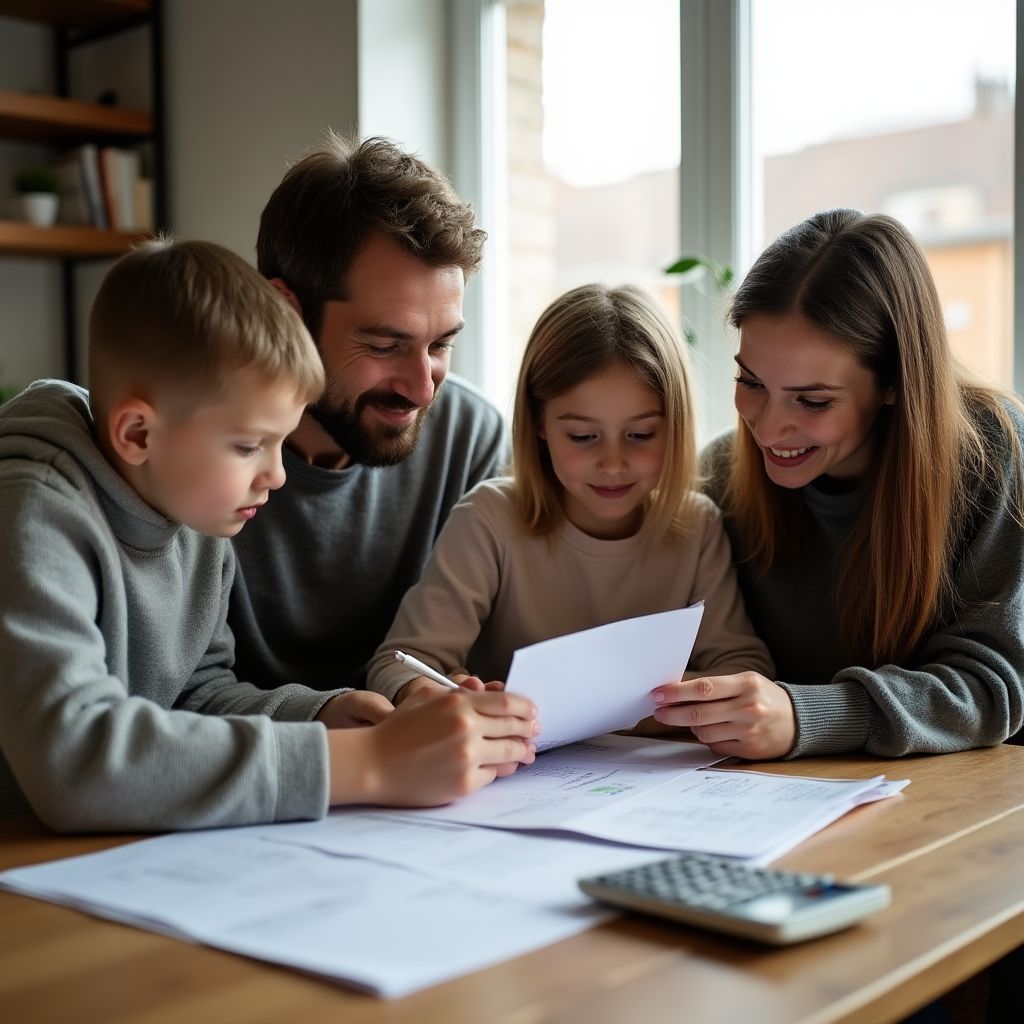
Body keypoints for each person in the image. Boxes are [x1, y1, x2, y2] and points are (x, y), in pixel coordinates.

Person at [0, 239, 537, 832]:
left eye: (280, 442)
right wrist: (368, 762)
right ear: (138, 434)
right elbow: (70, 758)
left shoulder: (191, 507)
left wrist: (324, 717)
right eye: (249, 445)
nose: (277, 475)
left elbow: (194, 696)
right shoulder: (34, 512)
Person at [649, 209, 1024, 762]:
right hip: (779, 790)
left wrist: (807, 714)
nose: (768, 427)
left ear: (894, 383)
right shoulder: (725, 474)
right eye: (751, 382)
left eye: (813, 401)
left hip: (966, 794)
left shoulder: (993, 453)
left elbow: (990, 689)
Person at [367, 283, 772, 707]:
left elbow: (744, 667)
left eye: (641, 434)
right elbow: (400, 665)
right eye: (582, 436)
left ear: (675, 425)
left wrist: (637, 699)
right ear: (539, 423)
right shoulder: (489, 519)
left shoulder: (697, 526)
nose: (612, 463)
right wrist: (439, 699)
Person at [228, 133, 508, 691]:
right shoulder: (189, 447)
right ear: (286, 313)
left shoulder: (470, 438)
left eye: (441, 344)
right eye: (384, 346)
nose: (422, 390)